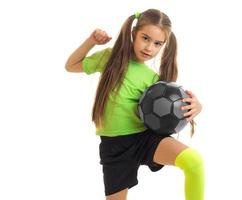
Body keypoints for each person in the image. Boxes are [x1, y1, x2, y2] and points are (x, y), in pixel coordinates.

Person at [65, 8, 204, 200]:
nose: (149, 48)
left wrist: (196, 106)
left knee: (193, 161)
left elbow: (178, 107)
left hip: (144, 139)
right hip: (114, 147)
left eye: (157, 44)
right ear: (133, 34)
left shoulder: (155, 81)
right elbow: (70, 65)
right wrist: (91, 42)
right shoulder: (110, 58)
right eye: (145, 38)